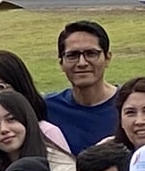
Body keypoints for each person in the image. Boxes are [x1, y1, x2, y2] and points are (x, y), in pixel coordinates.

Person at [44, 20, 120, 154]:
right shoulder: (47, 108)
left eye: (91, 54)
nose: (82, 63)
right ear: (61, 63)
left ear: (107, 58)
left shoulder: (130, 106)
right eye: (72, 55)